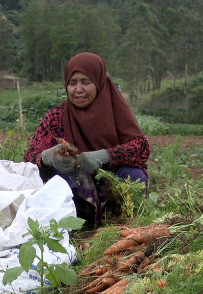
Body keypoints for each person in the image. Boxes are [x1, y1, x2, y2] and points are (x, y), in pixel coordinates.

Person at [24, 52, 150, 225]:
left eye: (86, 82)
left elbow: (141, 148)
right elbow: (29, 158)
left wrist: (103, 156)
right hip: (78, 195)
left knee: (134, 175)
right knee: (62, 178)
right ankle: (80, 226)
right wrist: (48, 157)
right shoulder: (56, 118)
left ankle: (122, 221)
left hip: (111, 186)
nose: (78, 89)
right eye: (72, 83)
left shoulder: (116, 113)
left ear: (99, 83)